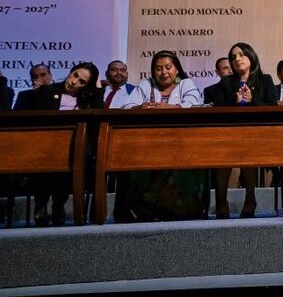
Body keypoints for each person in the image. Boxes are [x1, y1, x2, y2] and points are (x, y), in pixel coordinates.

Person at [114, 51, 207, 222]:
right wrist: (139, 107)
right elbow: (127, 106)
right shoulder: (146, 84)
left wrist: (167, 107)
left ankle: (179, 211)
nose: (163, 72)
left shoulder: (185, 83)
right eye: (158, 69)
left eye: (168, 67)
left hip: (180, 141)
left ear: (177, 69)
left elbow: (193, 105)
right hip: (149, 141)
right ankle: (140, 210)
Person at [28, 62, 102, 226]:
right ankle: (41, 204)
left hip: (72, 148)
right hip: (45, 145)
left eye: (82, 82)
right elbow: (36, 120)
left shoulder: (86, 100)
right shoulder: (48, 91)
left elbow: (97, 120)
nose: (74, 82)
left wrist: (97, 90)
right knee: (45, 159)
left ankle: (58, 205)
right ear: (70, 72)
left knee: (72, 159)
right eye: (75, 75)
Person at [210, 43, 278, 218]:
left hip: (256, 133)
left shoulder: (265, 80)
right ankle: (221, 202)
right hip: (228, 133)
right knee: (222, 154)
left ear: (251, 56)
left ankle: (250, 199)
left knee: (248, 151)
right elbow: (217, 108)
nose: (237, 59)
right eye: (233, 57)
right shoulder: (226, 82)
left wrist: (252, 101)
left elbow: (272, 108)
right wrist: (234, 101)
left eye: (241, 55)